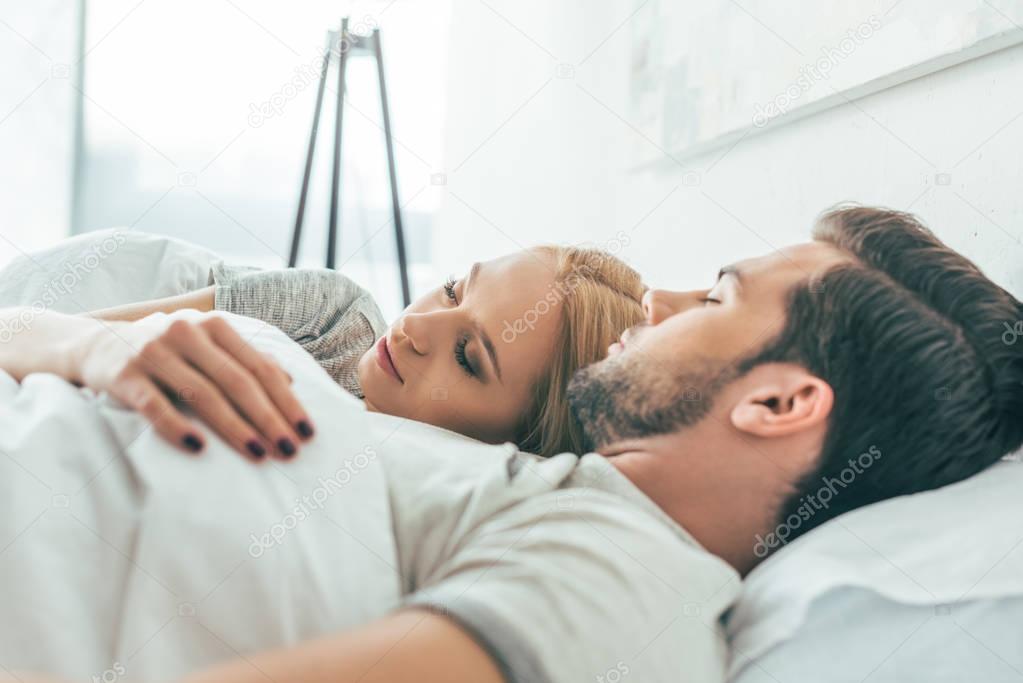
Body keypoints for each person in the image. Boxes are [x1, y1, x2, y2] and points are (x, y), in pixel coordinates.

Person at [2, 206, 1021, 683]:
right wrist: (93, 345)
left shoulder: (630, 580)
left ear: (778, 402)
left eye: (717, 296)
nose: (658, 296)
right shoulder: (539, 496)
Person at [83, 245, 646, 459]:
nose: (419, 325)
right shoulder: (331, 317)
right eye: (452, 288)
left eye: (468, 357)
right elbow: (46, 334)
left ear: (519, 447)